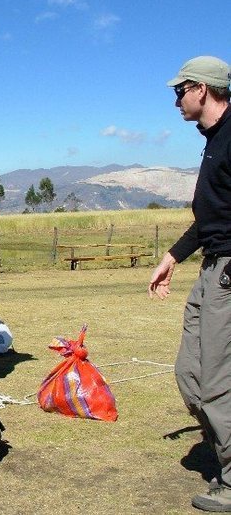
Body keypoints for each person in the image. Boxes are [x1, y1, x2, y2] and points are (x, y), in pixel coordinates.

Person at [148, 55, 231, 512]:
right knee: (191, 375)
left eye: (179, 91)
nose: (176, 100)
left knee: (219, 378)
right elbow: (209, 218)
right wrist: (171, 258)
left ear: (202, 88)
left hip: (229, 272)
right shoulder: (214, 139)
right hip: (210, 269)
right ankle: (221, 444)